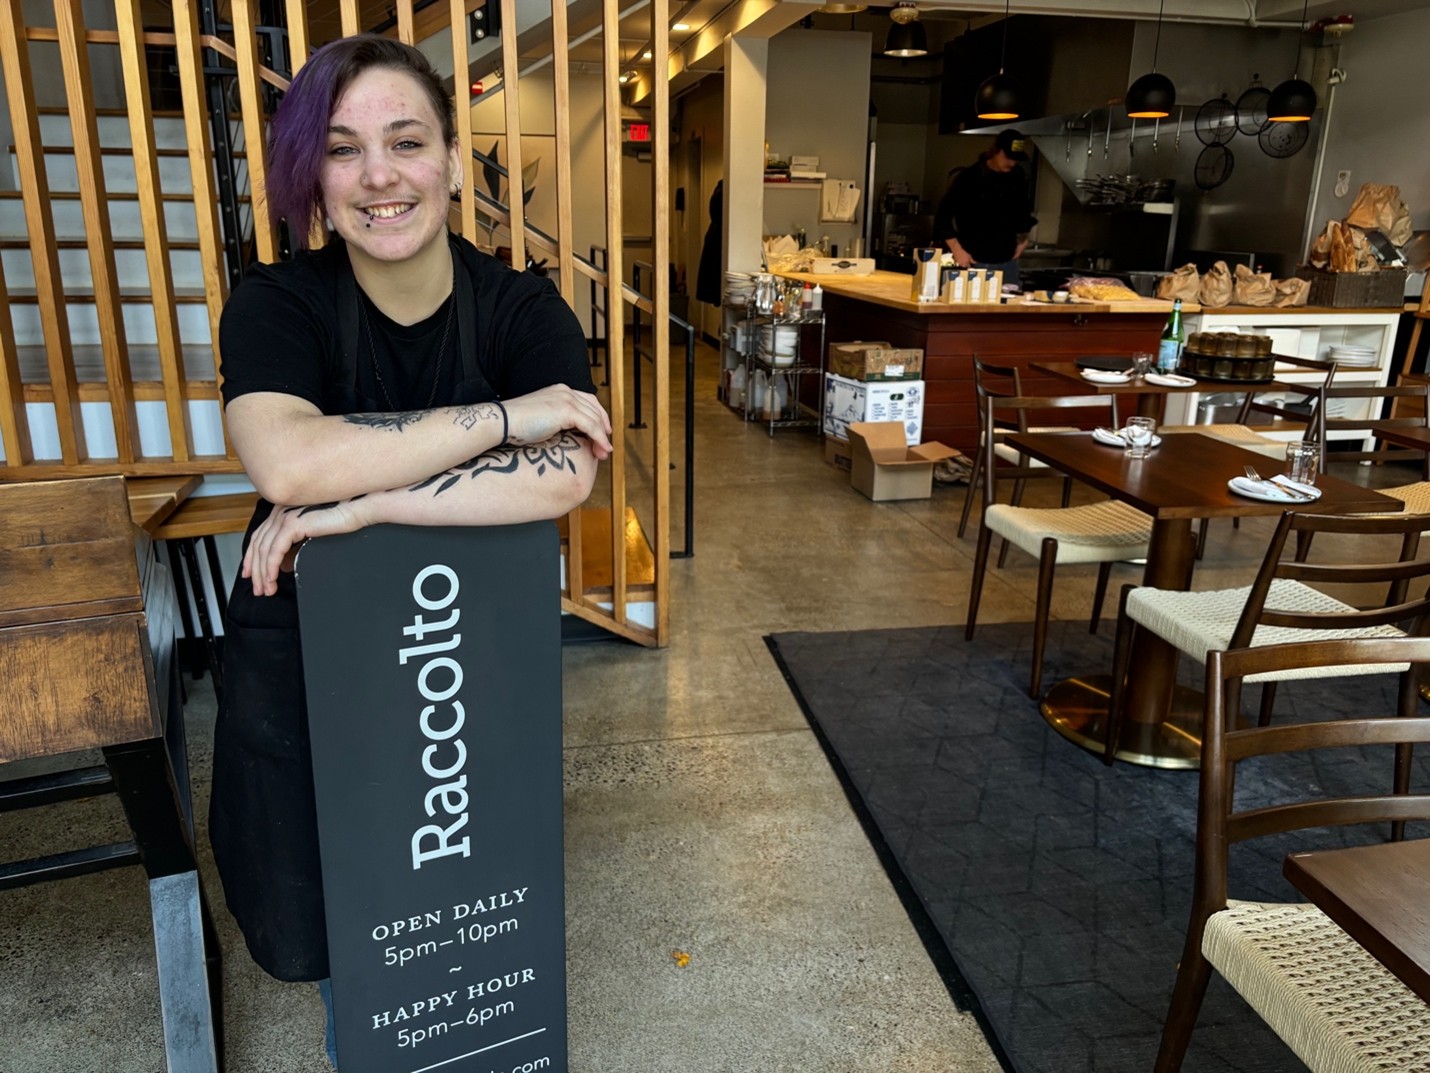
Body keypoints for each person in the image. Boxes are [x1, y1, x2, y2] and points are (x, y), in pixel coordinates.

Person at [207, 33, 613, 1069]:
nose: (378, 175)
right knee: (348, 925)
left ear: (446, 156)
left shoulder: (520, 303)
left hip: (463, 667)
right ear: (313, 173)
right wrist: (505, 416)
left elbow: (569, 471)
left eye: (405, 141)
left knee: (455, 914)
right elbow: (287, 462)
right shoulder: (277, 302)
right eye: (342, 150)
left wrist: (368, 508)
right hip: (309, 664)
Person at [931, 128, 1037, 288]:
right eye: (1008, 157)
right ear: (996, 151)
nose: (1012, 163)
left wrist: (1023, 238)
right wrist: (956, 249)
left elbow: (1022, 209)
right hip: (974, 261)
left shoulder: (1017, 175)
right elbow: (943, 215)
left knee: (1009, 311)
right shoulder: (970, 177)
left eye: (1016, 159)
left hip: (1008, 262)